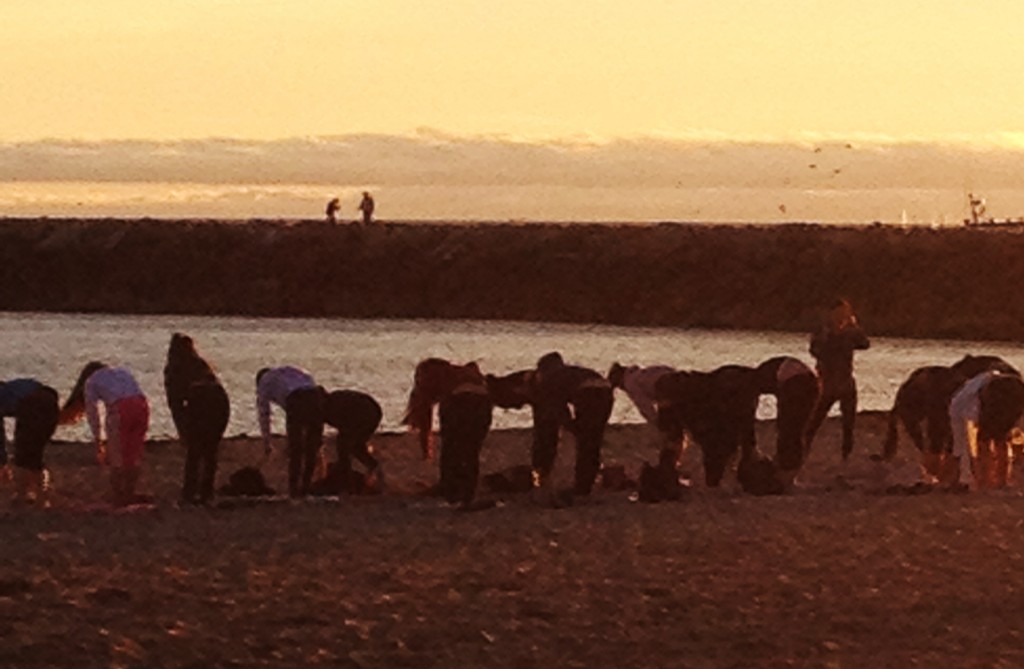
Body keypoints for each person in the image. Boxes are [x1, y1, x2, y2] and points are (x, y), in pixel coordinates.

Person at [60, 362, 150, 507]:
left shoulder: (91, 382)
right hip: (142, 405)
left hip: (121, 407)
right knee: (133, 452)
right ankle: (129, 492)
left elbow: (93, 413)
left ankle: (118, 494)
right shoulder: (122, 371)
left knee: (116, 454)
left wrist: (99, 439)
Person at [164, 333, 230, 505]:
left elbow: (175, 403)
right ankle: (206, 492)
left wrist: (181, 430)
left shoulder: (173, 368)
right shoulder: (201, 364)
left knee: (194, 451)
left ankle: (189, 493)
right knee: (210, 449)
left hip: (200, 398)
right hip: (220, 399)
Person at [804, 299, 870, 460]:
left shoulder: (850, 331)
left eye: (844, 312)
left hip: (846, 380)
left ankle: (846, 455)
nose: (841, 316)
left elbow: (865, 344)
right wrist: (829, 338)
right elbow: (815, 351)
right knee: (814, 421)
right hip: (827, 382)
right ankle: (803, 449)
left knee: (849, 423)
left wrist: (855, 327)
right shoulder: (823, 331)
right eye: (839, 312)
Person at [256, 365, 324, 498]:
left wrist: (267, 442)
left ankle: (294, 491)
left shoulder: (264, 381)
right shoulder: (290, 370)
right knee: (311, 448)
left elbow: (264, 413)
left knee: (296, 449)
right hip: (316, 395)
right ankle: (305, 488)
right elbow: (310, 379)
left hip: (296, 399)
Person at [949, 370, 1024, 490]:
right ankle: (1001, 480)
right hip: (1016, 384)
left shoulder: (957, 404)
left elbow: (960, 441)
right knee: (1002, 438)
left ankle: (985, 480)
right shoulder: (970, 388)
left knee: (985, 440)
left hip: (994, 391)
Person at [0, 378, 60, 506]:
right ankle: (42, 494)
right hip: (50, 402)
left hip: (31, 405)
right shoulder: (13, 387)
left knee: (23, 454)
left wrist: (3, 462)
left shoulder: (6, 394)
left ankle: (24, 493)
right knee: (35, 453)